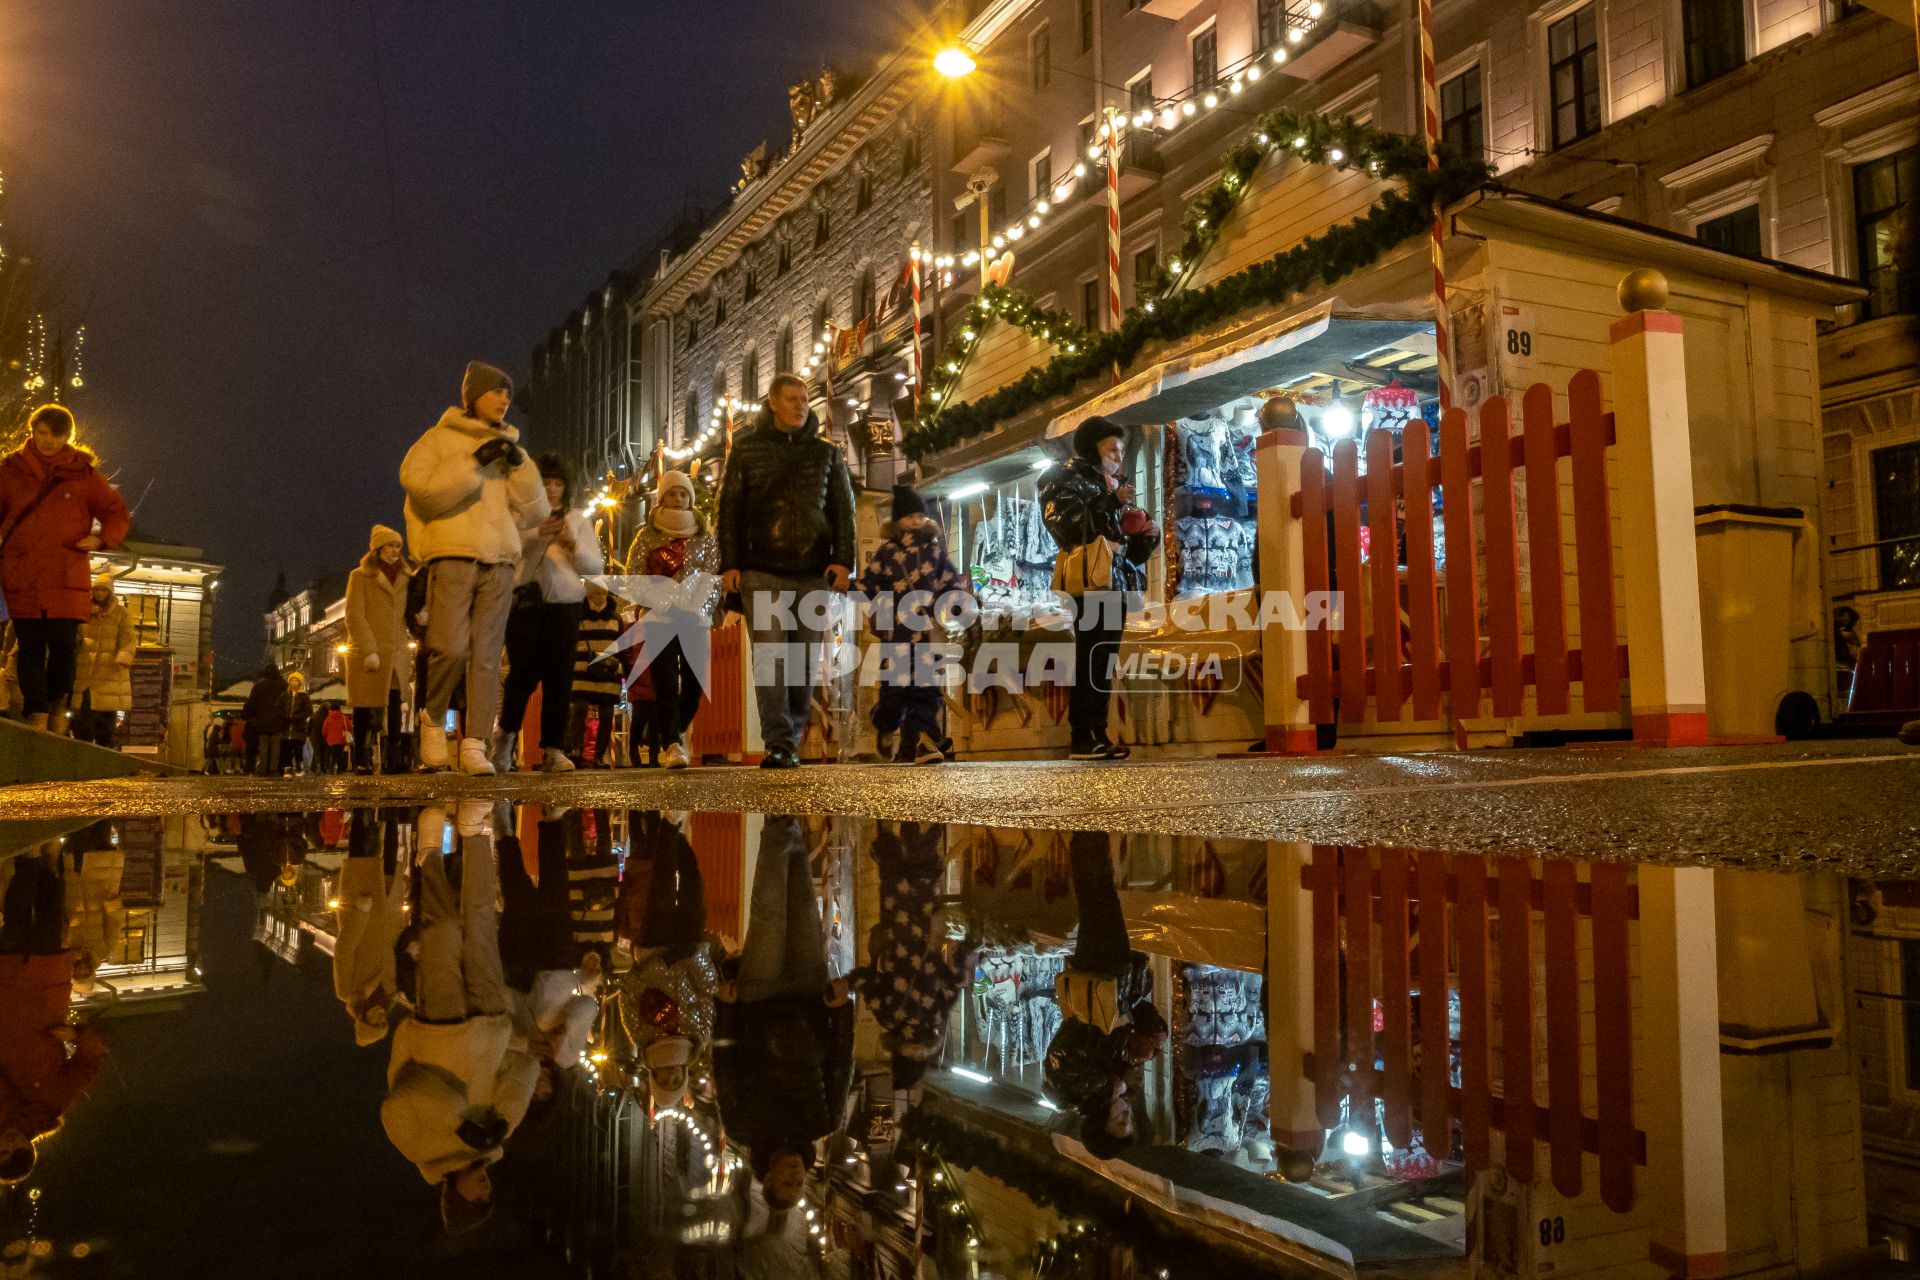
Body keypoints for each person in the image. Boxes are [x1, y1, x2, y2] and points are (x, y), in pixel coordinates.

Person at [383, 802, 539, 1235]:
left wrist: (457, 1120)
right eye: (490, 1194)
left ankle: (429, 853)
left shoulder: (418, 1148)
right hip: (489, 1016)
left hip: (438, 1024)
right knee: (482, 920)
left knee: (443, 927)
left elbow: (399, 1100)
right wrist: (503, 1117)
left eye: (478, 1196)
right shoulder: (497, 1137)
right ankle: (473, 834)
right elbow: (526, 1068)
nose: (486, 1187)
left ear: (455, 1195)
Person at [400, 360, 549, 776]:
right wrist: (474, 465)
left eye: (508, 393)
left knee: (486, 657)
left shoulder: (510, 446)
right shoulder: (439, 439)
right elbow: (424, 493)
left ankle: (475, 743)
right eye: (496, 390)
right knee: (449, 646)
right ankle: (432, 718)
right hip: (452, 554)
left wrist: (518, 465)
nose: (505, 399)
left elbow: (537, 510)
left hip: (500, 560)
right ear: (472, 395)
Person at [716, 374, 856, 770]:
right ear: (773, 403)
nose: (800, 406)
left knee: (803, 664)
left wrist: (843, 561)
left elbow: (842, 512)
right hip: (762, 572)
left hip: (812, 573)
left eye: (804, 399)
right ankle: (778, 742)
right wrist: (731, 565)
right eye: (791, 399)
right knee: (771, 659)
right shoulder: (747, 451)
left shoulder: (826, 455)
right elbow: (729, 511)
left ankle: (789, 738)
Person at [0, 405, 131, 734]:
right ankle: (37, 710)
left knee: (63, 644)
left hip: (66, 574)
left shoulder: (83, 474)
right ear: (32, 431)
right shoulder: (11, 469)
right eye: (41, 432)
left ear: (67, 436)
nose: (47, 441)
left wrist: (102, 539)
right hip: (22, 573)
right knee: (29, 645)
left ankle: (58, 701)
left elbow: (115, 512)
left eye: (55, 434)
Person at [1041, 830, 1168, 1160]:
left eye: (1119, 1120)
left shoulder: (1069, 1090)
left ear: (1099, 1123)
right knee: (1104, 898)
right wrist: (1148, 1032)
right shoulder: (1117, 1080)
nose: (1126, 1113)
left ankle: (1087, 836)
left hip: (1095, 973)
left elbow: (1070, 1039)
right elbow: (1131, 1015)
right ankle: (1092, 837)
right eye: (1128, 1120)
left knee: (1096, 898)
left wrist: (1111, 1066)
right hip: (1118, 977)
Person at [1039, 417, 1158, 760]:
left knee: (1104, 659)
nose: (1118, 456)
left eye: (1121, 449)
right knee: (1090, 655)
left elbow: (1122, 550)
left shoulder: (1111, 484)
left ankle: (1098, 732)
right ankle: (1081, 735)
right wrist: (1111, 503)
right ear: (1093, 447)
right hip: (1087, 582)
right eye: (1112, 448)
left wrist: (1144, 539)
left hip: (1113, 582)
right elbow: (1067, 529)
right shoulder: (1060, 478)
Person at [0, 849, 109, 1185]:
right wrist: (76, 1037)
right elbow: (90, 1062)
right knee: (48, 924)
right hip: (44, 998)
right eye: (6, 1152)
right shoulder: (53, 1105)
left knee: (16, 920)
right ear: (25, 1148)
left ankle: (29, 861)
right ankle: (50, 865)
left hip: (4, 994)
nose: (2, 1145)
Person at [496, 455, 603, 774]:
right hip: (526, 604)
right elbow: (511, 554)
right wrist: (540, 534)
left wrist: (571, 544)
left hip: (565, 606)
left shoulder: (577, 518)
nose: (553, 489)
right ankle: (505, 737)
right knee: (522, 674)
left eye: (559, 483)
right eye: (547, 483)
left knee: (560, 678)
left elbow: (594, 566)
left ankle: (554, 748)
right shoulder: (521, 518)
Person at [851, 821, 971, 1091]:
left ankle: (911, 819)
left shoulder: (913, 1020)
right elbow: (951, 985)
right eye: (917, 1059)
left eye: (912, 1058)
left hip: (914, 929)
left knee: (912, 873)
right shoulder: (910, 1021)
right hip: (912, 930)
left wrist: (965, 951)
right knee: (910, 871)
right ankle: (909, 817)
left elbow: (952, 984)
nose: (917, 1052)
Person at [857, 483, 965, 765]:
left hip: (928, 634)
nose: (916, 520)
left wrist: (957, 600)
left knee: (926, 692)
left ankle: (922, 744)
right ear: (897, 520)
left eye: (919, 515)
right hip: (897, 636)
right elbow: (870, 583)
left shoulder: (934, 551)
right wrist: (848, 586)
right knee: (894, 693)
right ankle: (884, 725)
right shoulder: (886, 552)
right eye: (909, 515)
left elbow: (948, 581)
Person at [625, 470, 720, 770]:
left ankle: (673, 728)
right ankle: (671, 745)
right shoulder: (647, 535)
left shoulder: (704, 536)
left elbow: (712, 576)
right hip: (660, 617)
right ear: (662, 497)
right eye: (672, 493)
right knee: (665, 681)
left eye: (683, 494)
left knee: (693, 683)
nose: (678, 499)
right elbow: (634, 574)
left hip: (692, 617)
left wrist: (700, 607)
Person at [346, 525, 414, 776]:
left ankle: (392, 757)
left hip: (396, 652)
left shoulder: (407, 578)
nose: (395, 551)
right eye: (390, 545)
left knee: (395, 703)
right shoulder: (360, 576)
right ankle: (362, 757)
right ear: (377, 548)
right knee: (364, 704)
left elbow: (409, 613)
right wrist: (369, 649)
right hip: (369, 651)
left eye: (398, 546)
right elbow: (354, 616)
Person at [70, 572, 135, 748]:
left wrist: (124, 656)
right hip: (85, 671)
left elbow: (128, 639)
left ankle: (105, 752)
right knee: (82, 717)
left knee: (106, 719)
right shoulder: (82, 611)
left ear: (110, 593)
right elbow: (75, 635)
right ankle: (81, 750)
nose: (99, 594)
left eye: (103, 590)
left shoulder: (121, 613)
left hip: (110, 673)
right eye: (96, 590)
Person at [570, 583, 628, 767]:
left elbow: (622, 645)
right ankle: (576, 751)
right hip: (582, 671)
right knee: (578, 710)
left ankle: (599, 755)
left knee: (607, 713)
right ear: (588, 594)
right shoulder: (578, 615)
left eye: (603, 592)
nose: (600, 596)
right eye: (596, 593)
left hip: (608, 674)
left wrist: (623, 667)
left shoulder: (615, 618)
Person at [242, 663, 290, 777]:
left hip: (262, 722)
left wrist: (250, 716)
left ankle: (263, 768)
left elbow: (251, 703)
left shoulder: (259, 686)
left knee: (263, 746)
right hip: (278, 722)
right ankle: (274, 769)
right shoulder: (283, 685)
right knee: (275, 747)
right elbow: (288, 703)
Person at [283, 671, 313, 777]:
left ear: (299, 682)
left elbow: (309, 710)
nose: (293, 682)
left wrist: (297, 717)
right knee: (286, 750)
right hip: (286, 728)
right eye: (292, 680)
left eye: (296, 680)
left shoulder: (304, 696)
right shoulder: (285, 696)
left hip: (298, 728)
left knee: (298, 749)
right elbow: (278, 708)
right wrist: (285, 716)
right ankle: (287, 769)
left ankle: (300, 768)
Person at [321, 704, 351, 774]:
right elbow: (349, 727)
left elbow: (324, 731)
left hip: (331, 741)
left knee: (332, 755)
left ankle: (331, 770)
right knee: (340, 755)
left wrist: (326, 737)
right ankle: (340, 770)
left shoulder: (327, 718)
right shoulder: (344, 717)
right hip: (341, 740)